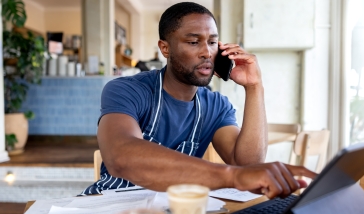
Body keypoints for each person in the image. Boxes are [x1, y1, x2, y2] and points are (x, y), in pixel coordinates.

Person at [81, 2, 316, 198]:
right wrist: (230, 176)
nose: (206, 52)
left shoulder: (216, 106)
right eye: (194, 42)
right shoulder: (127, 90)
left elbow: (247, 164)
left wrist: (254, 87)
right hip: (110, 208)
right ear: (165, 48)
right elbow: (120, 156)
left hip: (174, 210)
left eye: (212, 42)